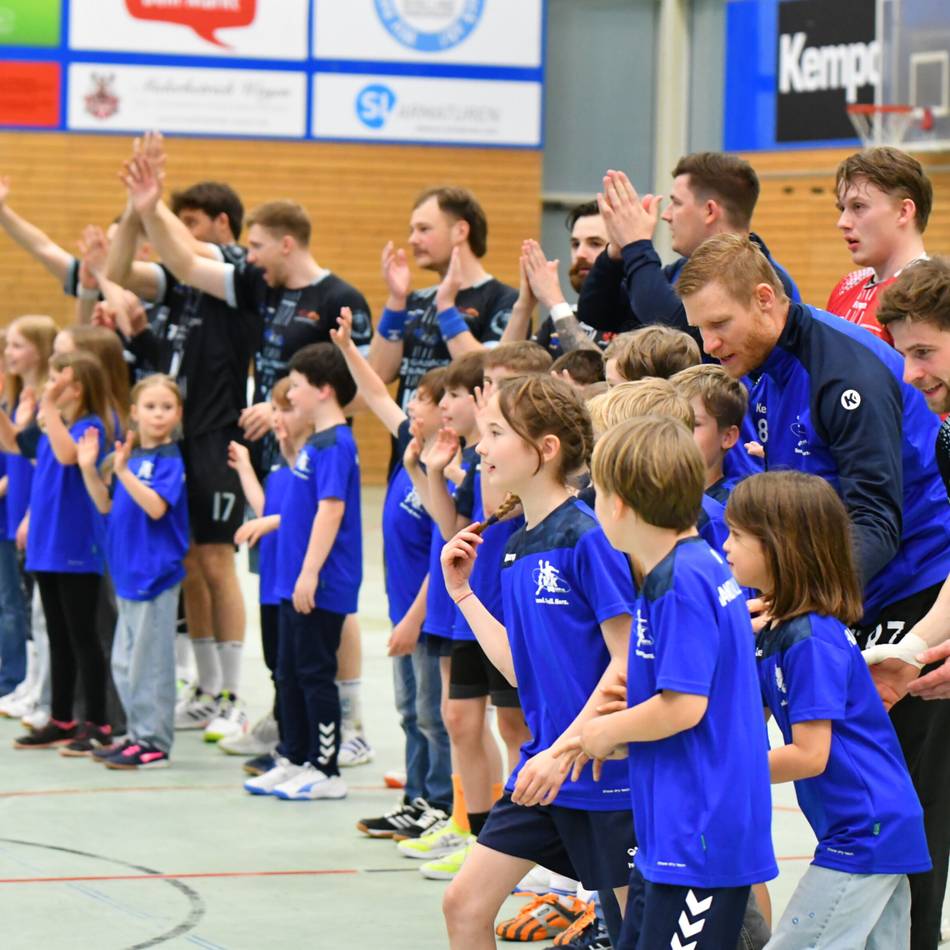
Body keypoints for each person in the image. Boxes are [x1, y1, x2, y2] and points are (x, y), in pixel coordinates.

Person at [678, 233, 950, 950]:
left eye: (719, 325)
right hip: (842, 596)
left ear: (765, 300)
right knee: (859, 784)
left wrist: (804, 596)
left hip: (905, 591)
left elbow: (878, 518)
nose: (709, 345)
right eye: (699, 329)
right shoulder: (766, 367)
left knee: (908, 800)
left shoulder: (842, 369)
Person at [439, 375, 636, 950]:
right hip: (543, 773)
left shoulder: (589, 536)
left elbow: (625, 663)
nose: (481, 446)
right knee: (464, 905)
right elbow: (523, 668)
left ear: (545, 449)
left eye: (496, 432)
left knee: (638, 933)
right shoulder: (518, 543)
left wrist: (564, 751)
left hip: (603, 776)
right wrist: (464, 597)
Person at [571, 415, 776, 950]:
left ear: (618, 505)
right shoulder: (691, 567)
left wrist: (605, 731)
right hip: (675, 827)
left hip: (699, 834)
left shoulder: (682, 581)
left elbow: (684, 706)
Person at [725, 471, 930, 948]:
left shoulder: (810, 639)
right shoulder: (776, 630)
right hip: (867, 827)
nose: (725, 545)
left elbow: (809, 755)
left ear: (779, 545)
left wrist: (721, 770)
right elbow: (747, 720)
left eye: (737, 535)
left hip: (866, 830)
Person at [108, 144, 257, 742]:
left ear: (221, 227)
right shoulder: (180, 289)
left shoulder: (236, 273)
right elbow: (120, 272)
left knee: (218, 564)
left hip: (217, 441)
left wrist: (153, 209)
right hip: (176, 442)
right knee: (190, 564)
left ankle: (233, 694)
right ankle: (203, 687)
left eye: (189, 220)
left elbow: (183, 252)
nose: (177, 233)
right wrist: (131, 210)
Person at [330, 309, 452, 839]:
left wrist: (412, 619)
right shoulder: (411, 447)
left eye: (421, 400)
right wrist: (349, 351)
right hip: (404, 609)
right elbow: (377, 395)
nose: (409, 406)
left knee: (432, 714)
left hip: (427, 615)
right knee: (409, 712)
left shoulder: (442, 469)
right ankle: (416, 797)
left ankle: (441, 803)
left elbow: (445, 552)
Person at [243, 343, 360, 801]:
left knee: (314, 673)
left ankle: (325, 768)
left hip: (321, 580)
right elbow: (298, 506)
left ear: (324, 390)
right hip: (294, 577)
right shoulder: (315, 443)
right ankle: (294, 755)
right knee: (289, 672)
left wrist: (310, 573)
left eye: (296, 387)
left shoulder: (337, 444)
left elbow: (330, 512)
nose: (290, 397)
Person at [77, 375, 189, 770]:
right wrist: (91, 468)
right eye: (151, 407)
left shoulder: (169, 459)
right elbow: (105, 505)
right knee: (125, 663)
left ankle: (154, 741)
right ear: (134, 413)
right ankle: (136, 734)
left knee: (151, 664)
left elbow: (157, 508)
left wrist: (122, 472)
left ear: (177, 415)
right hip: (126, 574)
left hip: (155, 575)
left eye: (167, 407)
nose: (159, 414)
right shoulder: (134, 458)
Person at [576, 153, 800, 338]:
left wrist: (637, 246)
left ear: (709, 211)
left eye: (676, 203)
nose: (666, 215)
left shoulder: (765, 278)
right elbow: (597, 313)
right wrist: (615, 254)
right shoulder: (682, 270)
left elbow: (678, 331)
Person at [13, 351, 114, 753]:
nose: (50, 383)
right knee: (57, 636)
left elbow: (67, 455)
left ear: (79, 388)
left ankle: (99, 723)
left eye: (59, 379)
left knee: (83, 637)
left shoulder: (89, 426)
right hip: (47, 545)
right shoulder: (59, 423)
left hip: (76, 547)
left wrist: (48, 407)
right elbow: (34, 455)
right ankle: (62, 719)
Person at [860, 259, 950, 704]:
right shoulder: (948, 437)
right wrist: (914, 648)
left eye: (923, 352)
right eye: (902, 355)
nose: (910, 375)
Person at [369, 185, 517, 415]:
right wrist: (397, 300)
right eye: (411, 230)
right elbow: (378, 374)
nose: (412, 240)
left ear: (460, 231)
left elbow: (487, 375)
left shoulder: (504, 300)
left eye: (423, 229)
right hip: (410, 447)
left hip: (466, 447)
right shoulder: (415, 299)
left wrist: (447, 309)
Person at [221, 377, 302, 769]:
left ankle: (297, 747)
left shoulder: (313, 465)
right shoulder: (281, 469)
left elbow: (302, 517)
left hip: (292, 584)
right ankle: (285, 745)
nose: (275, 418)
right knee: (277, 667)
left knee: (294, 670)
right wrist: (245, 470)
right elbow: (266, 507)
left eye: (284, 409)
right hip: (272, 583)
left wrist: (267, 524)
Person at [0, 316, 56, 712]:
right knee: (19, 600)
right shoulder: (19, 396)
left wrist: (32, 514)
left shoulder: (45, 402)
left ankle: (35, 685)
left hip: (33, 514)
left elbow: (43, 464)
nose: (8, 354)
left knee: (33, 604)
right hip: (17, 508)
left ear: (39, 349)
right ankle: (29, 683)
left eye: (16, 346)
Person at [826, 147, 932, 345]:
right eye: (842, 208)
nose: (843, 222)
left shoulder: (930, 294)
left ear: (903, 211)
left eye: (858, 206)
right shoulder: (846, 286)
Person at [502, 202, 623, 355]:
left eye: (594, 243)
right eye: (575, 244)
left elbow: (600, 374)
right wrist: (524, 306)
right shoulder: (563, 317)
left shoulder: (636, 316)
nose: (580, 254)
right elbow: (501, 372)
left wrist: (554, 302)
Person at [671, 364, 747, 503]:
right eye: (673, 421)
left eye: (694, 424)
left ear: (728, 437)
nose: (679, 432)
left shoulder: (732, 509)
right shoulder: (660, 497)